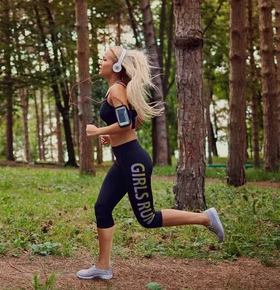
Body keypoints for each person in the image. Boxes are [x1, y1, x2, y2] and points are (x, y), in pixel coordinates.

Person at [76, 46, 225, 281]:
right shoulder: (119, 90)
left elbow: (125, 124)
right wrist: (110, 136)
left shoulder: (116, 90)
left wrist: (98, 131)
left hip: (134, 161)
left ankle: (205, 218)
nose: (100, 62)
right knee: (102, 207)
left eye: (104, 59)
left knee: (147, 218)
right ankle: (103, 267)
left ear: (117, 66)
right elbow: (136, 120)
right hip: (124, 160)